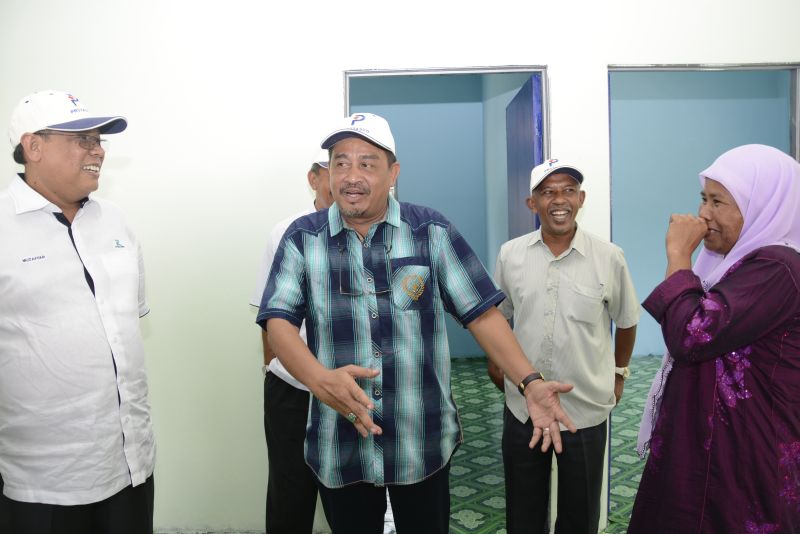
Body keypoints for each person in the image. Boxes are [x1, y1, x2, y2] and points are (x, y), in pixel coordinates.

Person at [257, 112, 577, 534]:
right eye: (340, 162)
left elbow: (481, 313)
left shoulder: (431, 232)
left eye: (367, 163)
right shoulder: (302, 238)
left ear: (394, 173)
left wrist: (530, 382)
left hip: (420, 437)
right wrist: (319, 380)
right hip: (341, 441)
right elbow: (277, 320)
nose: (351, 175)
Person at [0, 91, 155, 533]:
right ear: (33, 147)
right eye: (83, 139)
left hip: (131, 462)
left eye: (99, 140)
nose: (98, 150)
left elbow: (123, 329)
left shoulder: (116, 223)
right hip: (43, 482)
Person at [629, 144, 800, 533]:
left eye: (718, 201)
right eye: (703, 198)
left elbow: (692, 335)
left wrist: (677, 256)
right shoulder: (736, 265)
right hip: (713, 447)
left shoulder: (777, 266)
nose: (704, 213)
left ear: (762, 205)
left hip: (744, 456)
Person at [489, 159, 639, 534]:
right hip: (524, 406)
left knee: (580, 515)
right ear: (532, 203)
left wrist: (618, 376)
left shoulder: (609, 257)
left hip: (584, 408)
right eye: (548, 191)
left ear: (581, 198)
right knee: (523, 514)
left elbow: (626, 320)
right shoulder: (511, 255)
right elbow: (497, 318)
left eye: (569, 190)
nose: (560, 199)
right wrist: (499, 368)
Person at [250, 150, 333, 533]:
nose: (345, 178)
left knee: (354, 498)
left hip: (354, 392)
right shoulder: (285, 232)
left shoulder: (378, 232)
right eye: (334, 169)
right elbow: (269, 319)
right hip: (293, 390)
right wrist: (277, 368)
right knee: (289, 494)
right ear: (313, 178)